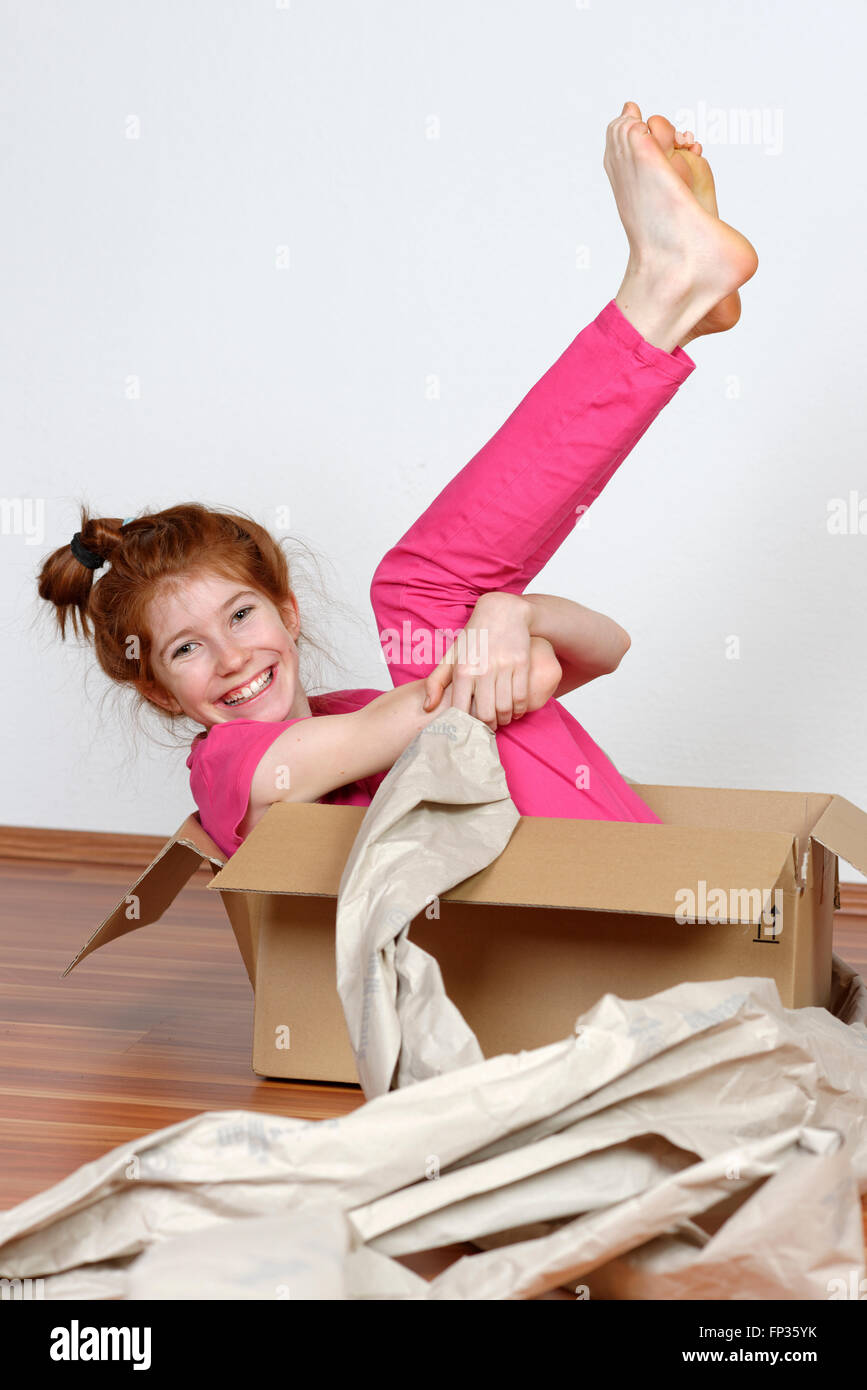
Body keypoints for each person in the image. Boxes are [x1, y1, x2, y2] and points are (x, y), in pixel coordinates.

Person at [37, 102, 757, 860]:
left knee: (455, 614)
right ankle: (663, 300)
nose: (230, 658)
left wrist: (512, 612)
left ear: (289, 610)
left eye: (241, 615)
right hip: (570, 915)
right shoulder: (227, 770)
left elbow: (605, 647)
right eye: (184, 650)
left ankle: (673, 303)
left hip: (600, 881)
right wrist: (502, 638)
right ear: (155, 689)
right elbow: (501, 682)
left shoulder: (362, 705)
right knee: (419, 589)